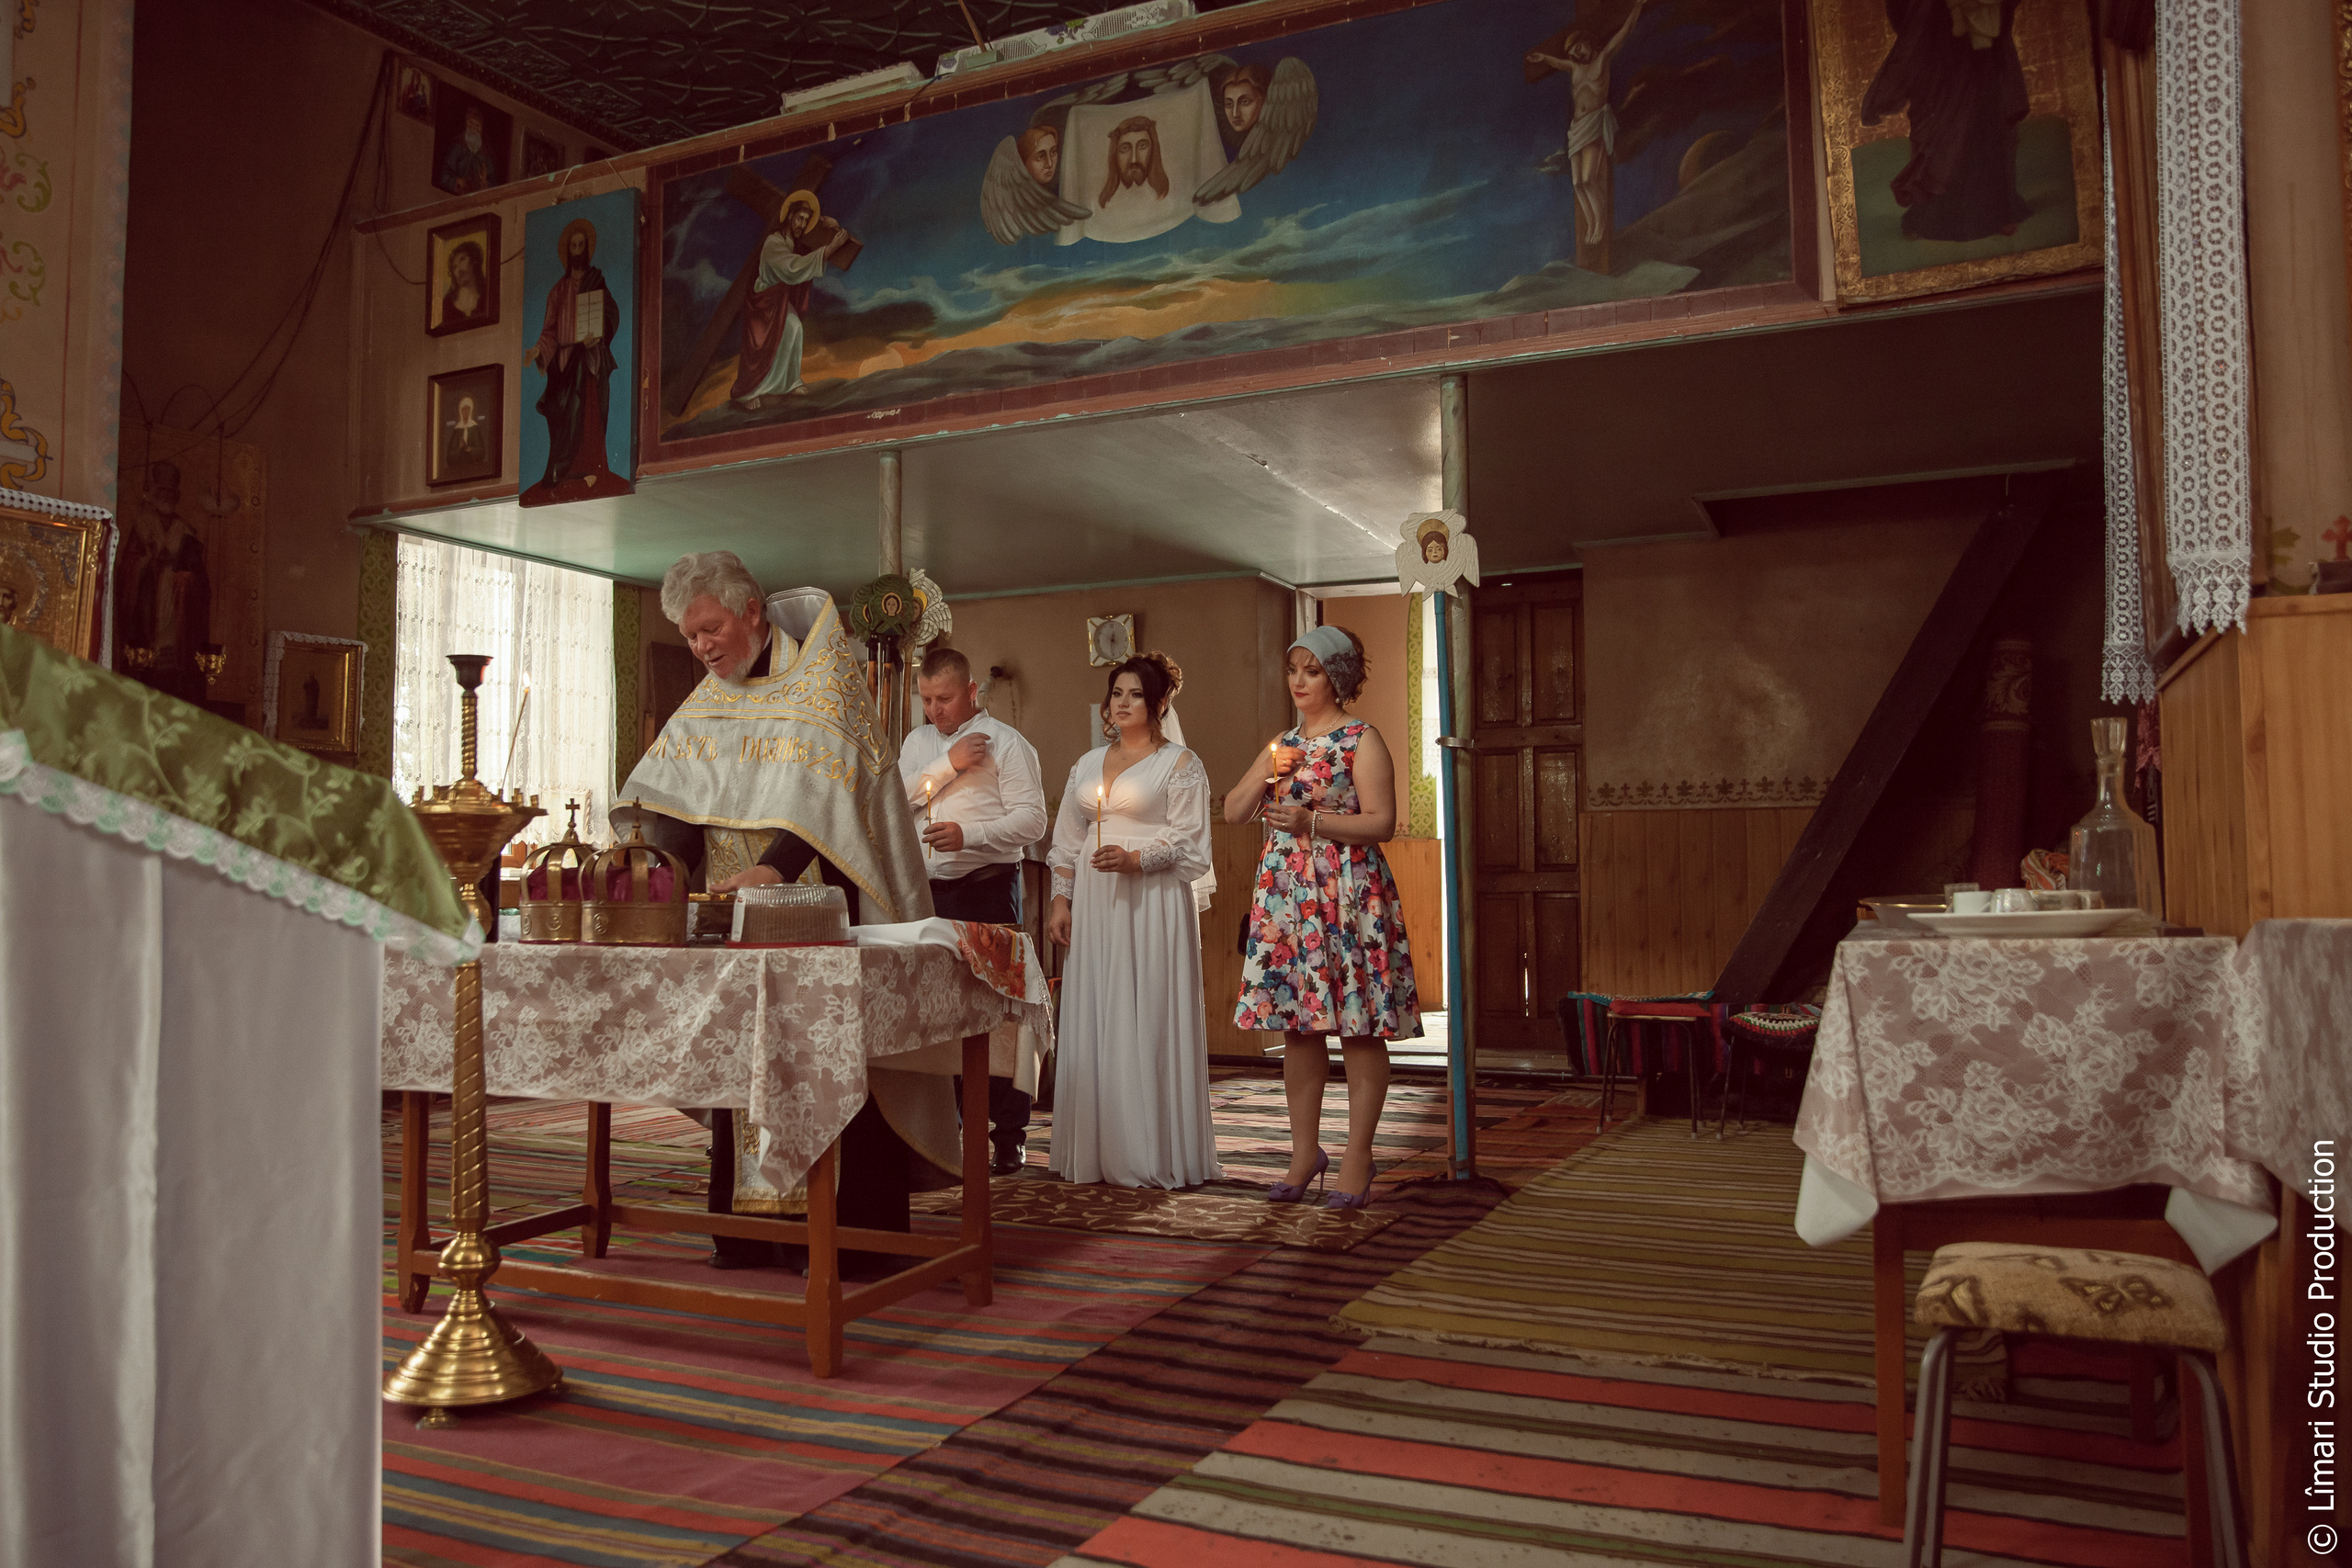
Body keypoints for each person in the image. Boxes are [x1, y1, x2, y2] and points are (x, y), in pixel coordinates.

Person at [621, 550, 944, 1273]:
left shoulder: (825, 681)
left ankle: (851, 1238)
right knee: (748, 1066)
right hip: (737, 926)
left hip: (822, 913)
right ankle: (753, 1232)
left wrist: (775, 867)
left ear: (751, 613)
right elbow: (670, 795)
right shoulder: (710, 696)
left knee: (826, 1059)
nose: (701, 647)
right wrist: (647, 860)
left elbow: (835, 802)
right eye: (689, 635)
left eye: (710, 628)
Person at [1223, 624, 1419, 1210]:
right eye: (1293, 671)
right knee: (1298, 1027)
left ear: (1337, 676)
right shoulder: (1282, 743)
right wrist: (1267, 766)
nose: (1300, 682)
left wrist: (1313, 824)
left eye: (1312, 671)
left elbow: (1382, 823)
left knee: (1357, 1025)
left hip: (1348, 894)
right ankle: (1305, 1152)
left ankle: (1359, 1155)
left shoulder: (1362, 738)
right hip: (1286, 897)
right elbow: (1234, 812)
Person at [1046, 653, 1221, 1189]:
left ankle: (1151, 1148)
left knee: (1147, 1009)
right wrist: (1061, 898)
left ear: (1159, 703)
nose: (1122, 703)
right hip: (1096, 902)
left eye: (1134, 695)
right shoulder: (1086, 763)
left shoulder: (1182, 764)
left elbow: (1192, 846)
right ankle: (1097, 1147)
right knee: (1100, 1007)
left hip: (1152, 902)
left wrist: (1136, 859)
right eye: (1116, 693)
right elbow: (1067, 839)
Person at [899, 645, 1048, 1175]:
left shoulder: (1010, 745)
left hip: (989, 887)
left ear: (970, 692)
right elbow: (896, 805)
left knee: (999, 1012)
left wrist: (970, 835)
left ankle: (1009, 1134)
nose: (935, 710)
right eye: (926, 700)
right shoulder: (917, 743)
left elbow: (1033, 822)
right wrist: (945, 767)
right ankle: (949, 1128)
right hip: (929, 895)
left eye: (944, 698)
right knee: (939, 1012)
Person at [729, 190, 851, 409]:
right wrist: (830, 248)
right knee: (761, 348)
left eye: (806, 221)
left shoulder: (794, 243)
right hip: (763, 304)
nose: (802, 225)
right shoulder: (774, 243)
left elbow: (816, 247)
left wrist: (834, 229)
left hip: (778, 300)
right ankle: (748, 392)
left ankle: (788, 382)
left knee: (795, 328)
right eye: (799, 219)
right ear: (789, 216)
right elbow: (792, 267)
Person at [527, 219, 619, 498]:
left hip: (587, 356)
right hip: (563, 361)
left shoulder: (596, 282)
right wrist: (538, 350)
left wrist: (599, 334)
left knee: (586, 412)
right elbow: (550, 332)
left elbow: (610, 314)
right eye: (573, 245)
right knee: (563, 417)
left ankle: (589, 466)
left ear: (587, 249)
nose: (578, 250)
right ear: (568, 252)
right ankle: (565, 470)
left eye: (582, 245)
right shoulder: (557, 291)